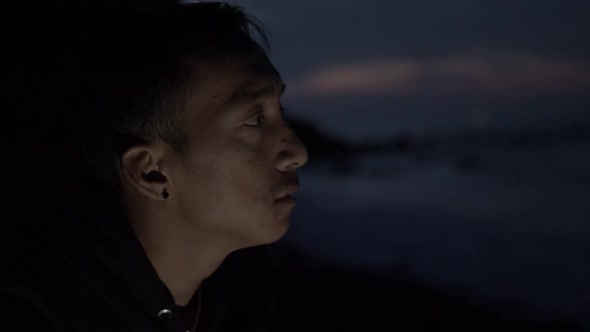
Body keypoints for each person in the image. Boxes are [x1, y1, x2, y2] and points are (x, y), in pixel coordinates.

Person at [1, 2, 308, 331]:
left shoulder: (255, 295)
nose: (298, 153)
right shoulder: (35, 312)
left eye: (280, 110)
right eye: (256, 120)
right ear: (151, 171)